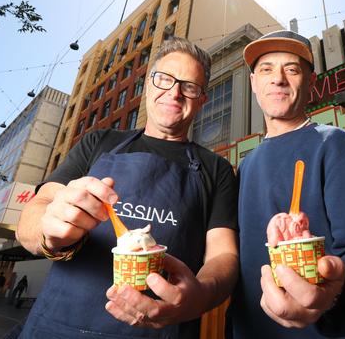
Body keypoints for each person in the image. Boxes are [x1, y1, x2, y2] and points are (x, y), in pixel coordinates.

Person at [15, 37, 238, 338]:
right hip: (57, 326)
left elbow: (223, 256)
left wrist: (201, 295)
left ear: (202, 99)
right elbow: (34, 213)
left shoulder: (217, 169)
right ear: (149, 84)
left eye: (189, 86)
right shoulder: (98, 142)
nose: (174, 92)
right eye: (164, 79)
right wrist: (49, 231)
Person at [228, 30, 345, 338]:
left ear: (310, 82)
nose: (278, 79)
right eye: (266, 69)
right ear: (254, 83)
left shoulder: (337, 145)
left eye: (292, 69)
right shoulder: (246, 165)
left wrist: (333, 295)